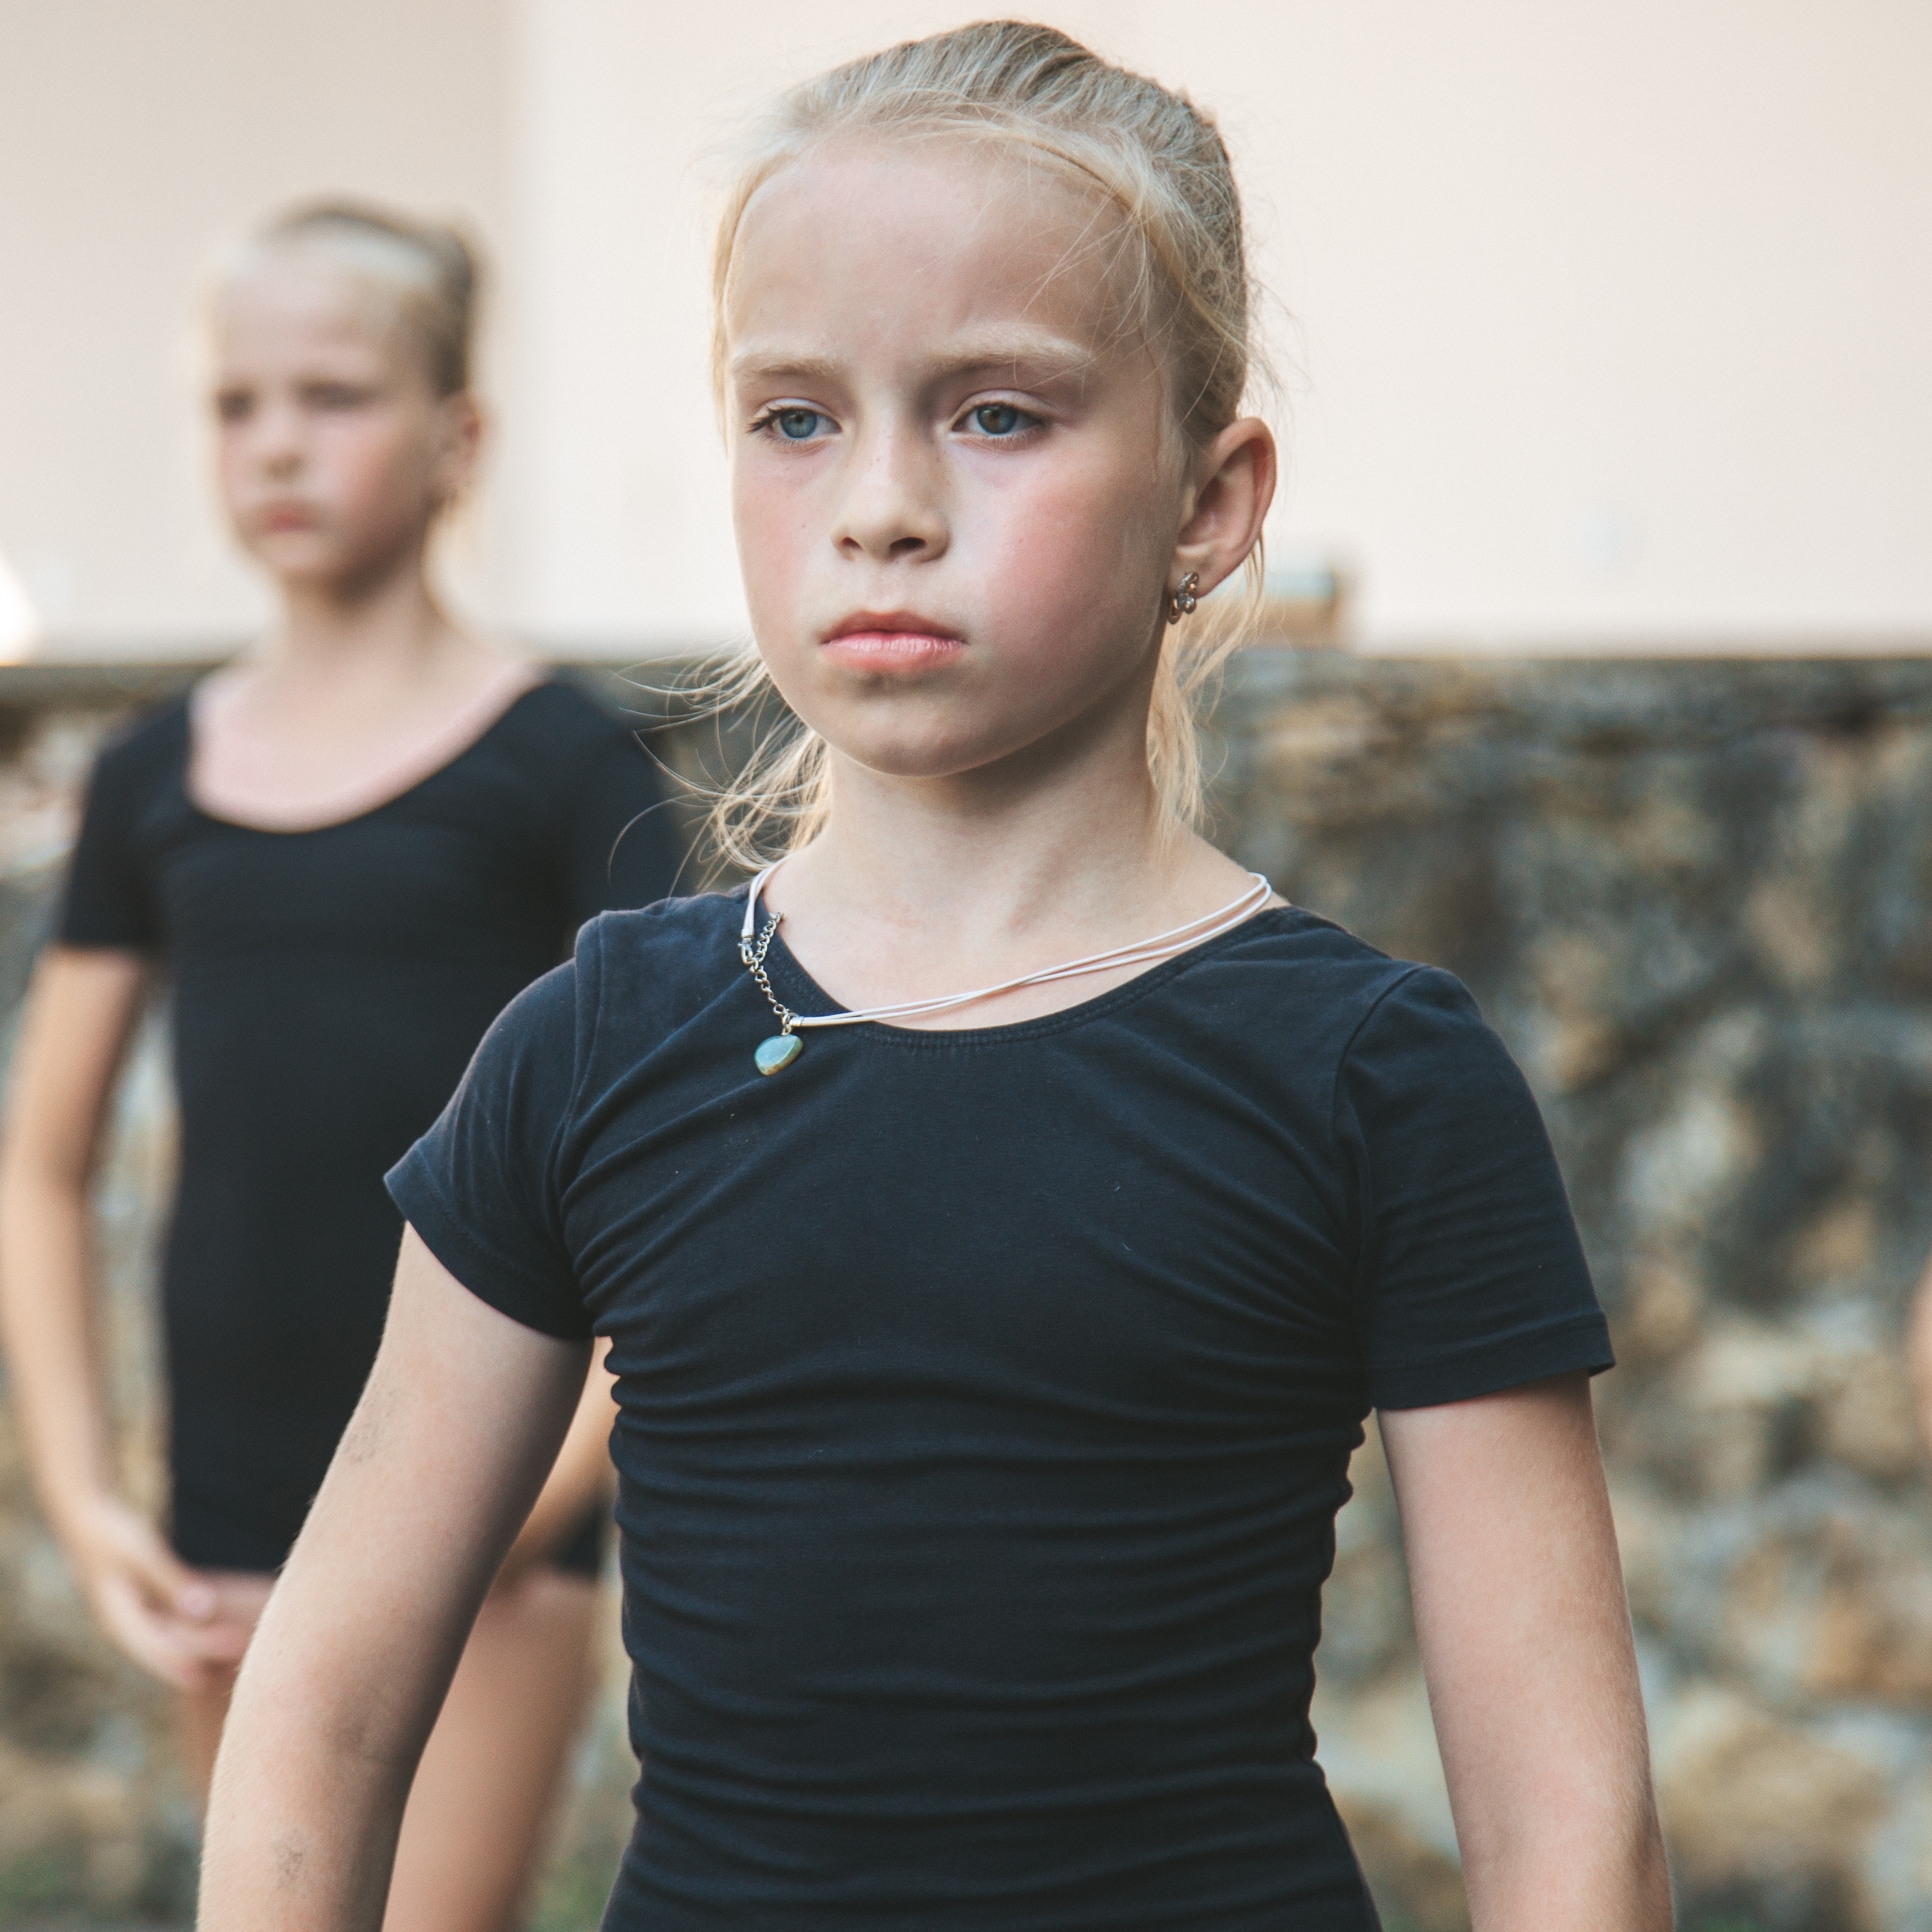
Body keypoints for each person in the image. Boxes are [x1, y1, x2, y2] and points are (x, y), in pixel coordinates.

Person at [199, 28, 1671, 1931]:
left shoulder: (1371, 1077)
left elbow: (1572, 1842)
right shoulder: (592, 1049)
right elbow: (317, 1718)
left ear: (1211, 501)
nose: (880, 502)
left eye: (999, 412)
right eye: (796, 416)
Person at [0, 202, 678, 1930]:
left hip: (491, 1527)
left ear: (460, 437)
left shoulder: (566, 771)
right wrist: (87, 1499)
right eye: (239, 404)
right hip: (232, 1525)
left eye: (335, 395)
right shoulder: (155, 778)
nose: (279, 443)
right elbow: (44, 1156)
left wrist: (544, 1495)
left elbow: (673, 1165)